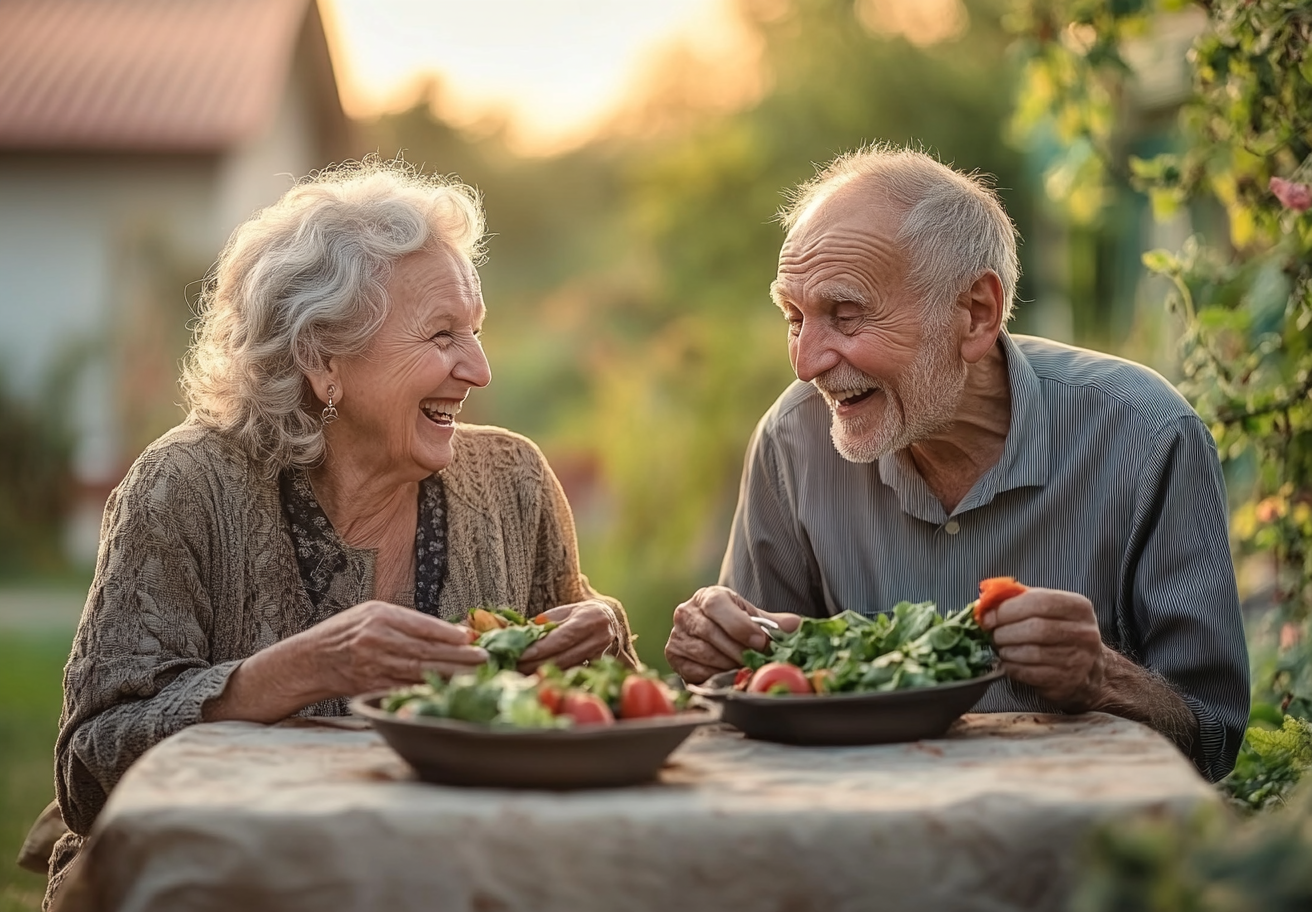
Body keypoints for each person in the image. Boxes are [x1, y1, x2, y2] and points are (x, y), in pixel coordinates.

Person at [39, 160, 636, 903]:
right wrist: (297, 672)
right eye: (442, 335)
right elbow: (89, 772)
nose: (480, 369)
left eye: (476, 332)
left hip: (466, 876)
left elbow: (609, 718)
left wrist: (601, 640)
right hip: (235, 883)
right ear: (323, 360)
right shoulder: (186, 486)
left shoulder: (512, 482)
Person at [665, 145, 1249, 782]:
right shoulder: (791, 441)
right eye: (794, 317)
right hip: (864, 820)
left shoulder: (1148, 435)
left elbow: (1213, 739)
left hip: (1084, 830)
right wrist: (718, 650)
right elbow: (746, 708)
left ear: (976, 314)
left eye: (847, 315)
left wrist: (1102, 678)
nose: (807, 364)